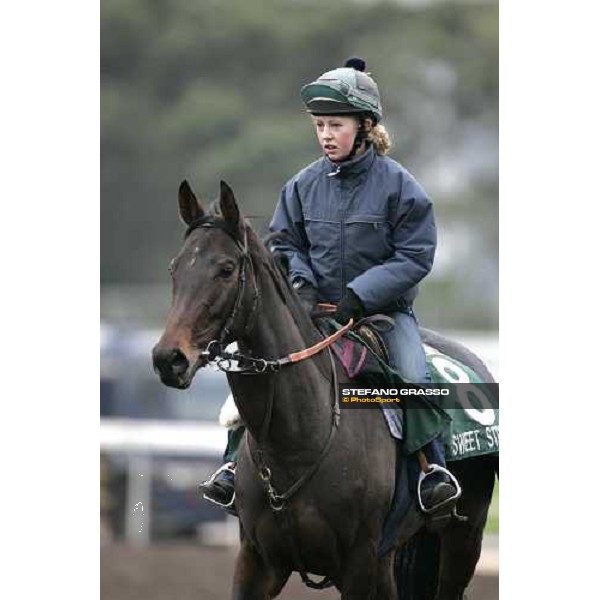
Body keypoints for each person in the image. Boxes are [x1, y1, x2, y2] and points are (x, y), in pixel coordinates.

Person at [201, 57, 459, 517]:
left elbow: (415, 255)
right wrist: (299, 282)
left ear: (364, 126)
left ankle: (431, 472)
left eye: (335, 125)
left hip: (382, 315)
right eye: (320, 125)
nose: (325, 134)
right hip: (310, 313)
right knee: (253, 369)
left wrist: (362, 293)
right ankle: (229, 469)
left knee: (413, 376)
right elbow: (282, 241)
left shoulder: (403, 188)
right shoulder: (300, 186)